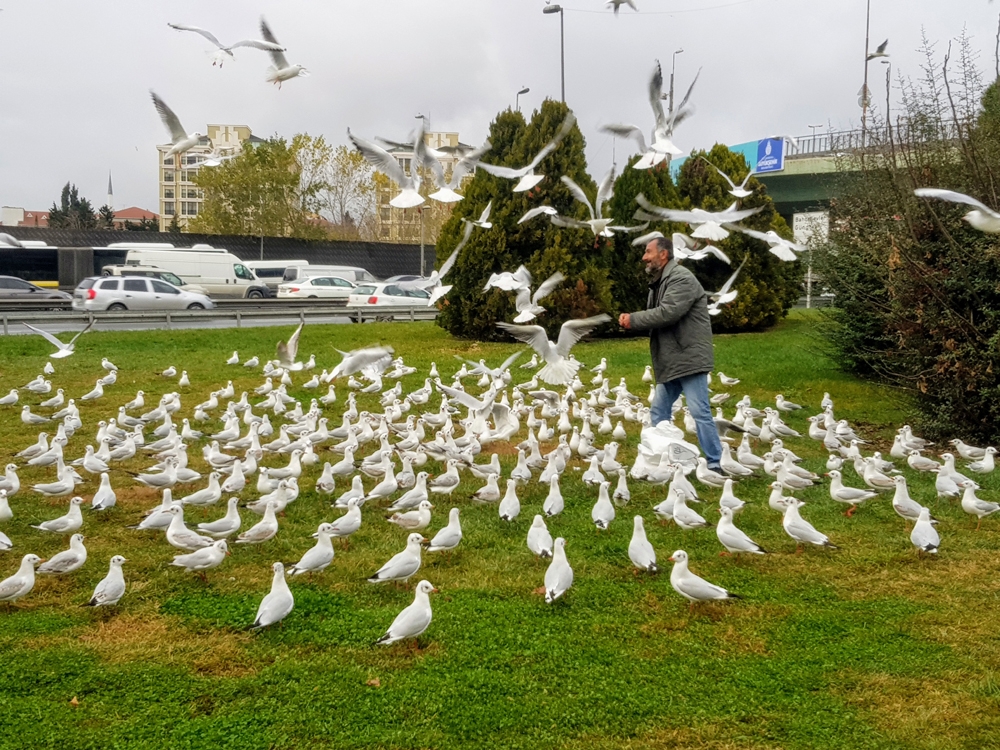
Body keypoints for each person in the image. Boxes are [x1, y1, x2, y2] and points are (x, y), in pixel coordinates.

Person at [618, 236, 724, 473]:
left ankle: (715, 463)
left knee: (699, 410)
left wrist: (633, 319)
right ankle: (663, 458)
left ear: (663, 254)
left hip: (689, 358)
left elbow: (667, 313)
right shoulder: (660, 280)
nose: (644, 257)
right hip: (674, 358)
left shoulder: (681, 279)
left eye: (648, 252)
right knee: (658, 410)